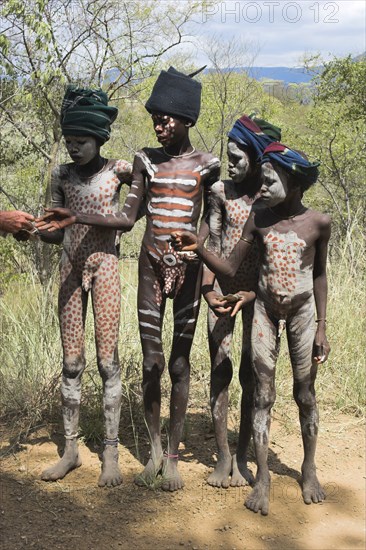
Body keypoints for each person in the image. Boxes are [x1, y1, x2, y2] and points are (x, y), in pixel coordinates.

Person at [37, 67, 221, 492]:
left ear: (188, 119)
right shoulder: (126, 164)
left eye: (167, 118)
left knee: (158, 362)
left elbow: (207, 218)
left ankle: (146, 455)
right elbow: (106, 221)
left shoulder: (196, 166)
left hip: (158, 269)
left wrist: (204, 252)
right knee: (113, 362)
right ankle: (105, 451)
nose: (159, 125)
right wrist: (47, 224)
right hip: (115, 268)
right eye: (155, 117)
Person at [171, 141, 331, 514]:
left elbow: (320, 276)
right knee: (262, 393)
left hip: (303, 313)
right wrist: (199, 247)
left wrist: (322, 327)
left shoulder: (317, 223)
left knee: (305, 393)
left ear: (293, 184)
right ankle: (262, 478)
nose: (265, 185)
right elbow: (228, 268)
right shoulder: (259, 218)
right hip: (264, 310)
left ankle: (308, 467)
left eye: (272, 180)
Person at [37, 85, 133, 487]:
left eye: (82, 141)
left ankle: (110, 450)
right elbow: (56, 232)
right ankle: (71, 450)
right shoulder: (62, 175)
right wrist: (36, 230)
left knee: (107, 361)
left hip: (106, 268)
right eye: (69, 141)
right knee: (72, 362)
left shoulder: (119, 172)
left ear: (99, 139)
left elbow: (130, 217)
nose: (74, 148)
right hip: (70, 271)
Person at [203, 115, 281, 489]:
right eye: (228, 156)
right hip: (222, 293)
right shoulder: (220, 192)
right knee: (220, 370)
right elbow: (211, 243)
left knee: (252, 375)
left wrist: (253, 295)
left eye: (237, 158)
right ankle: (222, 457)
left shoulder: (270, 199)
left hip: (259, 298)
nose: (230, 164)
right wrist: (208, 291)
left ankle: (245, 457)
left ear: (255, 156)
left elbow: (273, 259)